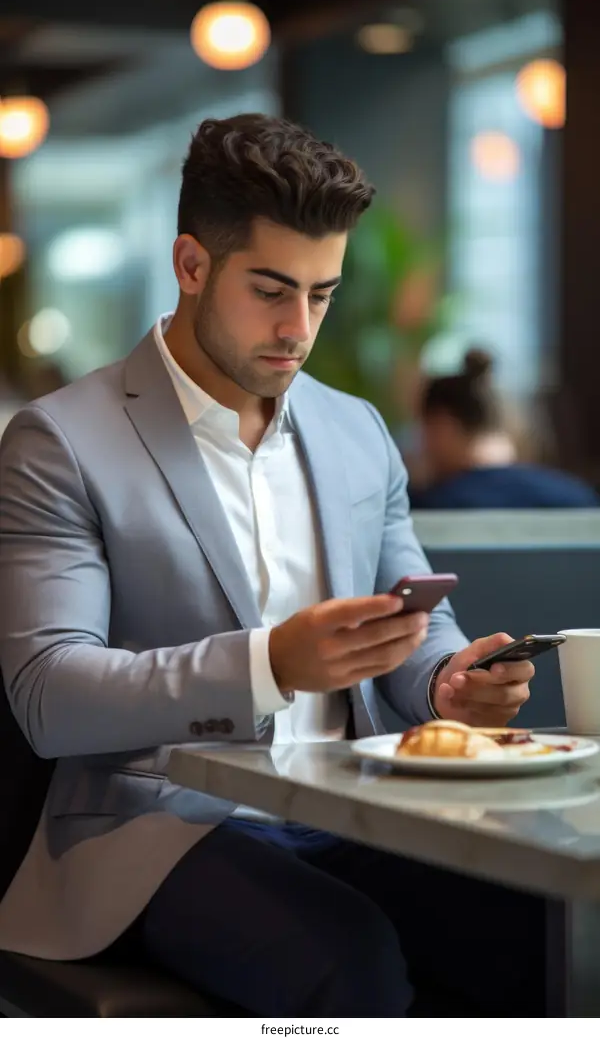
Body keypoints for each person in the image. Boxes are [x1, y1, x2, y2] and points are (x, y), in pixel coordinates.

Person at [0, 115, 545, 1017]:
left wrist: (445, 681)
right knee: (351, 960)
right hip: (157, 827)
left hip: (355, 806)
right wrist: (270, 664)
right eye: (271, 290)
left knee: (537, 930)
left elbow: (410, 624)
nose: (299, 329)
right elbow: (51, 694)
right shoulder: (59, 441)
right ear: (191, 265)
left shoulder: (356, 431)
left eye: (322, 295)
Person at [411, 350, 599, 510]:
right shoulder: (576, 498)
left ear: (442, 427)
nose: (421, 445)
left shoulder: (435, 505)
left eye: (424, 430)